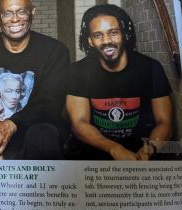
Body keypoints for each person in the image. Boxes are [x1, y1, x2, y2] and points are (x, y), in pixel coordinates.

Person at [0, 0, 70, 160]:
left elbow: (50, 103)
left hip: (32, 128)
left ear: (32, 12)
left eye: (21, 12)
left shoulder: (55, 51)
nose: (15, 19)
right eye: (7, 13)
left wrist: (10, 125)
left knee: (44, 136)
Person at [65, 4, 172, 160]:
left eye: (113, 33)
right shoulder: (77, 72)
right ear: (90, 41)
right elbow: (79, 124)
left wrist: (150, 149)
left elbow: (165, 123)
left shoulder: (151, 68)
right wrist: (114, 148)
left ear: (125, 34)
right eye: (98, 35)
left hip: (140, 149)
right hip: (96, 150)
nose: (107, 41)